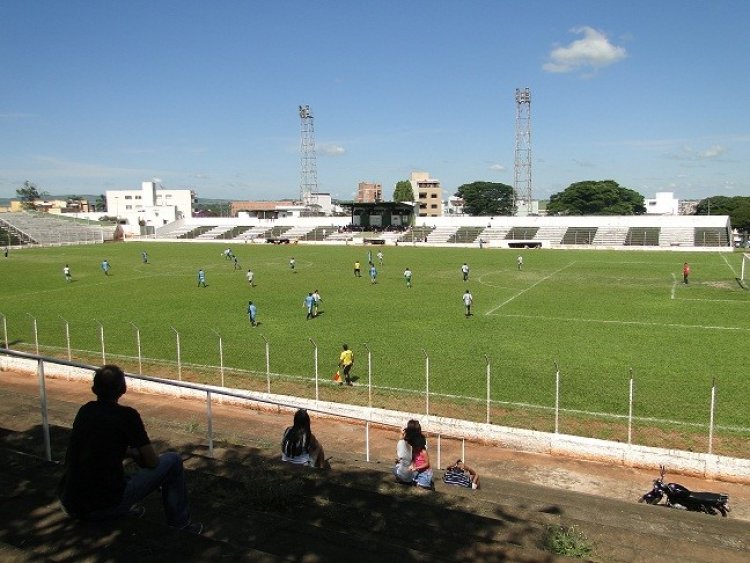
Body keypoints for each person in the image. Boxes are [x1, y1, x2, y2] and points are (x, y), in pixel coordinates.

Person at [57, 364, 202, 533]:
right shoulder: (127, 416)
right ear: (123, 389)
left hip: (69, 502)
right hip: (102, 508)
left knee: (112, 472)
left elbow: (97, 444)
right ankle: (181, 524)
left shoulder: (85, 411)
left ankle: (124, 506)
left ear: (94, 388)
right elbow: (152, 462)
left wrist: (126, 451)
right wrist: (133, 453)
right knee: (173, 461)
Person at [407, 424, 433, 490]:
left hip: (425, 473)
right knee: (414, 483)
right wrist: (412, 465)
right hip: (418, 471)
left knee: (422, 488)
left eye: (415, 446)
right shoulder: (414, 450)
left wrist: (416, 467)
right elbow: (413, 459)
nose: (414, 448)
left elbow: (427, 463)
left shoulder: (423, 452)